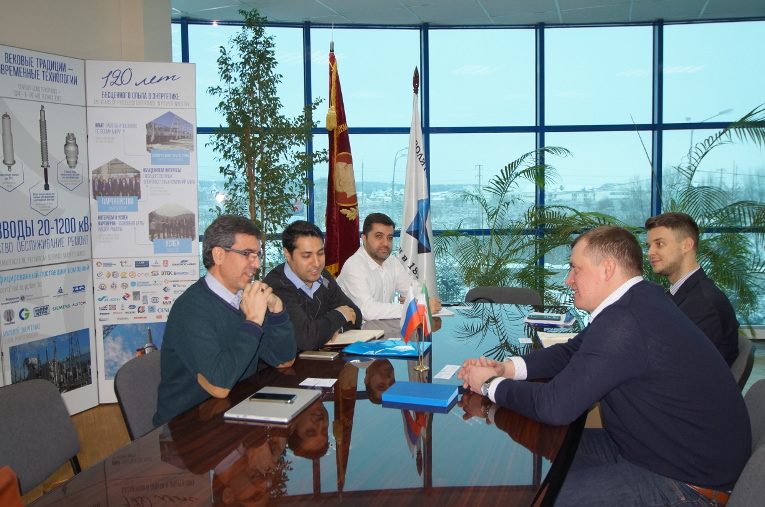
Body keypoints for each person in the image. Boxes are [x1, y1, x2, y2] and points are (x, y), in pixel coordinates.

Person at [459, 225, 750, 506]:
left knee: (529, 499)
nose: (568, 280)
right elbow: (571, 351)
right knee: (542, 444)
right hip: (650, 447)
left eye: (575, 268)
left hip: (686, 482)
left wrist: (488, 384)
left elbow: (554, 406)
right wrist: (505, 369)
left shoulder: (625, 320)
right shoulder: (640, 299)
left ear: (608, 269)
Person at [153, 214, 296, 427]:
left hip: (235, 412)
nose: (256, 264)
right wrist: (254, 320)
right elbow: (219, 385)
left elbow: (283, 361)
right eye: (247, 254)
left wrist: (277, 311)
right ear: (219, 255)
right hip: (187, 428)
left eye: (257, 255)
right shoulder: (191, 308)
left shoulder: (244, 298)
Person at [645, 212, 740, 365]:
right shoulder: (682, 293)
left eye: (659, 244)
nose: (650, 253)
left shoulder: (703, 303)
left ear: (687, 245)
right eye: (649, 246)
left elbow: (678, 365)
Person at [264, 220, 361, 351]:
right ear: (287, 254)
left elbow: (356, 314)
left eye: (320, 253)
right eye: (306, 256)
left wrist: (332, 329)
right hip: (280, 369)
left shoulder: (322, 276)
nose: (316, 263)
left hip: (317, 363)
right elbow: (306, 340)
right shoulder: (276, 287)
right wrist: (339, 315)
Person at [337, 213, 441, 320]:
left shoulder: (391, 261)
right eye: (379, 236)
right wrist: (414, 308)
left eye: (390, 237)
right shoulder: (354, 266)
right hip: (356, 332)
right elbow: (367, 311)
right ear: (364, 238)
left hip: (382, 328)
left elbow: (413, 289)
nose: (386, 243)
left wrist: (420, 302)